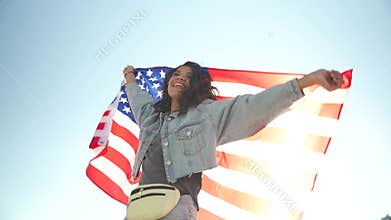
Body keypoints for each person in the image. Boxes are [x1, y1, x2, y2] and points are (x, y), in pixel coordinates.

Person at [122, 61, 343, 220]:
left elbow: (254, 106)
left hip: (175, 208)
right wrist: (129, 76)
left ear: (196, 86)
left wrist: (309, 81)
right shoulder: (150, 117)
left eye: (188, 77)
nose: (180, 78)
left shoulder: (206, 114)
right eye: (177, 74)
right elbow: (136, 98)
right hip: (139, 207)